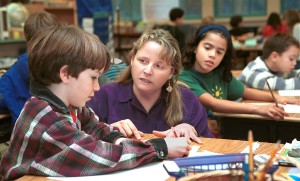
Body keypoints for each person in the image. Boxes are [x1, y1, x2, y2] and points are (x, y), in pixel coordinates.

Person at [0, 25, 191, 180]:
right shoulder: (45, 115)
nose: (97, 87)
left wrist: (119, 139)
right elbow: (94, 154)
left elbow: (96, 128)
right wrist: (159, 148)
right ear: (65, 74)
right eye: (93, 78)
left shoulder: (71, 105)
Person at [88, 29, 213, 143]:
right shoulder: (102, 95)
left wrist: (192, 132)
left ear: (171, 72)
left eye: (158, 66)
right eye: (143, 61)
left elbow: (211, 148)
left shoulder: (188, 100)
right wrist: (107, 131)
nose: (148, 71)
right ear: (132, 60)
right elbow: (81, 144)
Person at [179, 24, 299, 123]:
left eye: (219, 52)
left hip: (222, 129)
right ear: (195, 47)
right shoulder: (183, 76)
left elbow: (245, 92)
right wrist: (259, 109)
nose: (213, 55)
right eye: (207, 47)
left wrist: (277, 98)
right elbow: (213, 103)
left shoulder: (219, 73)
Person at [0, 11, 59, 128]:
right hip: (64, 138)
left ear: (26, 36)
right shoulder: (68, 70)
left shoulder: (8, 78)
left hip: (26, 141)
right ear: (57, 36)